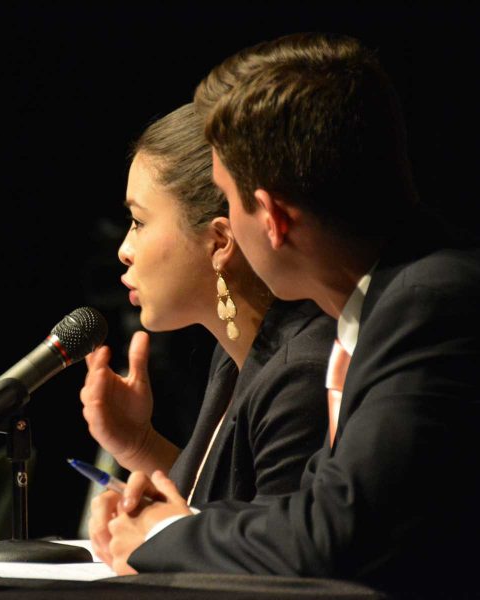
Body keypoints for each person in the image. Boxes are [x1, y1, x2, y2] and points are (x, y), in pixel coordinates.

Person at [94, 33, 480, 597]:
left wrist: (167, 534)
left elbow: (332, 533)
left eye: (226, 199)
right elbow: (313, 509)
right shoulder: (386, 305)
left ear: (272, 219)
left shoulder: (430, 305)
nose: (223, 223)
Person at [81, 103, 334, 532]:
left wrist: (155, 539)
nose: (124, 248)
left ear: (219, 240)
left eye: (138, 221)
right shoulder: (237, 354)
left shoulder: (301, 375)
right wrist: (140, 445)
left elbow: (269, 560)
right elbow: (223, 506)